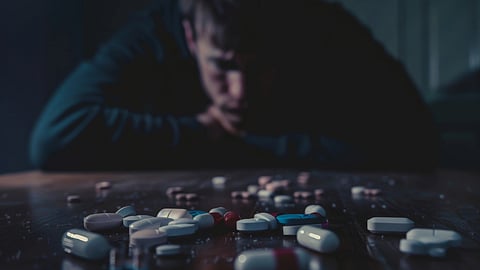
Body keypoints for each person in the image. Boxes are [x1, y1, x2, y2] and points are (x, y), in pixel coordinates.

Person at [29, 0, 439, 171]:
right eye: (222, 66)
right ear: (191, 38)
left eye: (261, 67)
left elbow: (419, 140)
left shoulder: (322, 24)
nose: (240, 92)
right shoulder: (154, 33)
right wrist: (200, 130)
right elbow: (54, 137)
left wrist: (235, 141)